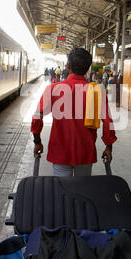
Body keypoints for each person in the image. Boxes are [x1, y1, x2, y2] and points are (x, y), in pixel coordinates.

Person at [31, 47, 117, 176]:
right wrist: (108, 146)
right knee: (82, 192)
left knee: (63, 192)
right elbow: (107, 121)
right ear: (88, 69)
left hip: (60, 152)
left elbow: (37, 116)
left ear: (68, 66)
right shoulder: (96, 91)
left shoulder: (53, 89)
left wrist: (37, 142)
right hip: (85, 152)